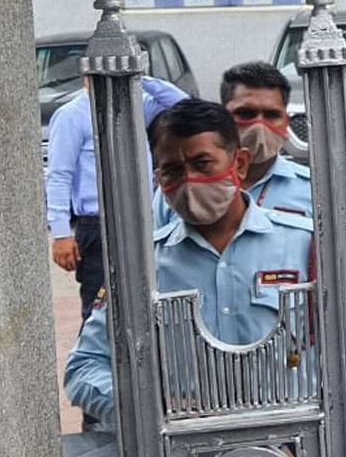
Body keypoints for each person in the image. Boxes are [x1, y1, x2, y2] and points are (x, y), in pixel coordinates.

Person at [64, 99, 314, 427]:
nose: (189, 181)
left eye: (202, 164)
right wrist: (152, 409)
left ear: (239, 164)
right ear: (158, 177)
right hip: (184, 443)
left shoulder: (305, 245)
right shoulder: (141, 266)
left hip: (288, 442)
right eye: (173, 171)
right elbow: (84, 368)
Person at [46, 75, 189, 320]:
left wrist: (137, 76)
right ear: (87, 77)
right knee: (100, 310)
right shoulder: (72, 115)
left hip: (142, 221)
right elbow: (59, 175)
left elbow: (184, 105)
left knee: (145, 303)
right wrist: (61, 234)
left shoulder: (136, 106)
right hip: (98, 226)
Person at [152, 61, 311, 227]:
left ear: (286, 121)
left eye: (271, 115)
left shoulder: (310, 190)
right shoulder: (177, 187)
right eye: (246, 113)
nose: (259, 126)